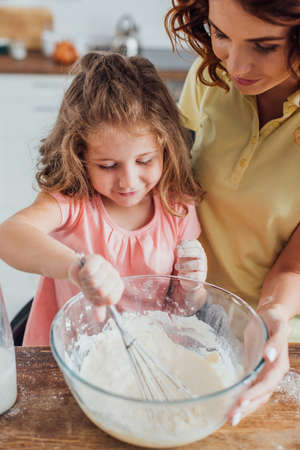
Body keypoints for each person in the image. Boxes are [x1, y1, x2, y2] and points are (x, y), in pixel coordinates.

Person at [0, 51, 207, 346]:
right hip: (65, 359)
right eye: (108, 165)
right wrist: (75, 267)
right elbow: (9, 236)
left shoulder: (177, 206)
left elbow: (183, 308)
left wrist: (191, 288)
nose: (129, 181)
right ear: (79, 154)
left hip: (147, 357)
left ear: (166, 146)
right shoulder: (73, 202)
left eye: (145, 161)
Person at [165, 0, 300, 426]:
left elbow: (293, 263)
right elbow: (171, 188)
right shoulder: (209, 79)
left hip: (270, 328)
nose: (236, 64)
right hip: (187, 315)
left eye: (264, 45)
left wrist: (271, 320)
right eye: (221, 34)